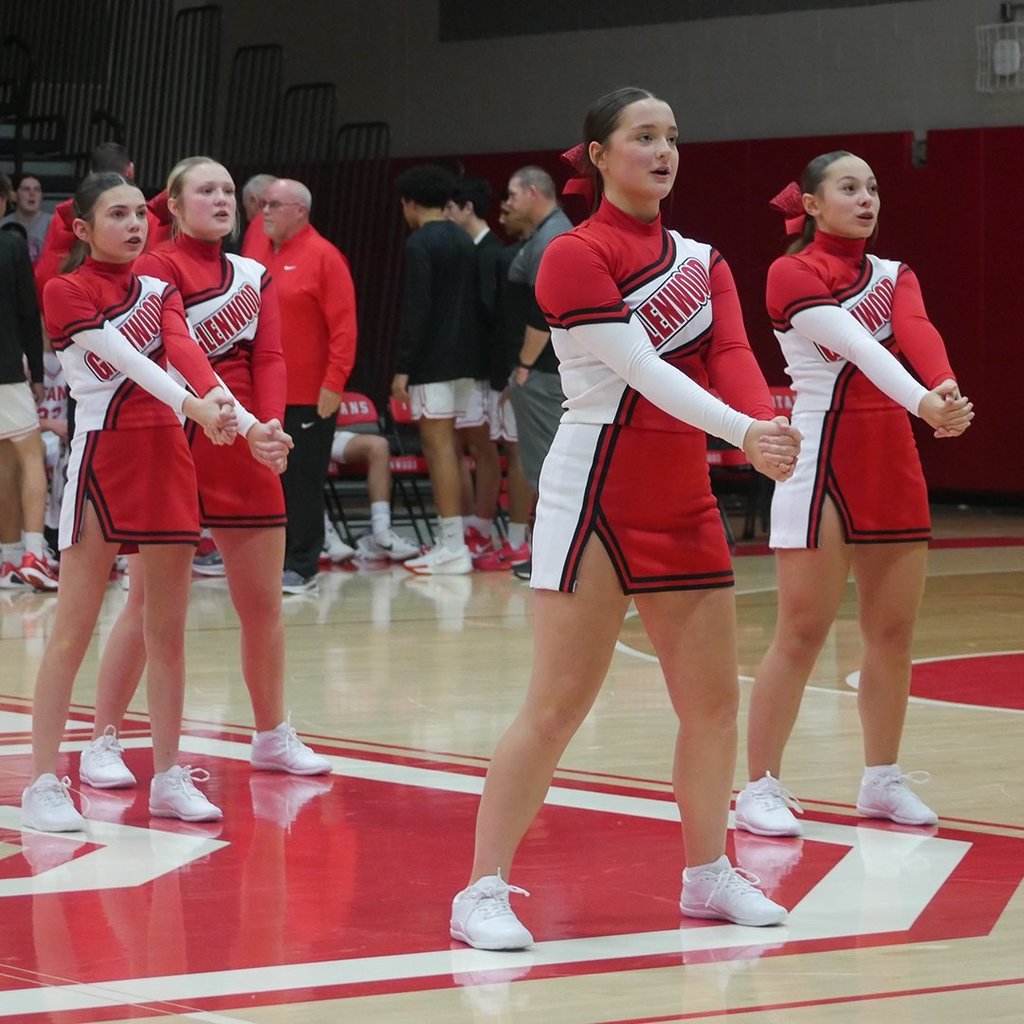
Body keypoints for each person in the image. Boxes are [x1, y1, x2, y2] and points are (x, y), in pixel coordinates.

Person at [448, 87, 802, 950]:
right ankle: (481, 889)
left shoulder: (704, 258)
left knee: (714, 706)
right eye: (643, 136)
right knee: (557, 707)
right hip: (594, 486)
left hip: (682, 492)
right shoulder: (573, 255)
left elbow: (729, 352)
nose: (664, 151)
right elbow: (641, 368)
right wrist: (744, 430)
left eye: (673, 137)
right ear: (598, 156)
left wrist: (765, 426)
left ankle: (707, 874)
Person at [734, 152, 974, 838]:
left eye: (872, 188)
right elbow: (861, 346)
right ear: (810, 204)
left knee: (892, 634)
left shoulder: (896, 275)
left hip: (891, 462)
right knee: (802, 632)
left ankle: (882, 779)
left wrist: (946, 386)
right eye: (848, 187)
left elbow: (918, 335)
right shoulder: (792, 271)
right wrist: (927, 402)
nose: (865, 198)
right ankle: (760, 787)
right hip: (819, 465)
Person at [78, 156, 329, 795]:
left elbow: (270, 353)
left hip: (243, 445)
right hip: (180, 434)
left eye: (226, 191)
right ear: (175, 203)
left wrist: (267, 428)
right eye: (205, 191)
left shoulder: (253, 272)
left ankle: (272, 733)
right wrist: (236, 418)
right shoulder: (155, 267)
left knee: (263, 604)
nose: (220, 200)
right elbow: (172, 353)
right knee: (149, 606)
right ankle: (102, 737)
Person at [23, 171, 239, 830]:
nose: (134, 225)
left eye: (137, 216)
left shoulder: (158, 285)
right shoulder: (66, 289)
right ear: (84, 229)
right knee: (72, 632)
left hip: (167, 464)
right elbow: (125, 360)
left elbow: (185, 353)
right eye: (116, 215)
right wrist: (195, 406)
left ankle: (170, 776)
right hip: (101, 466)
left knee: (166, 634)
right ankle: (41, 782)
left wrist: (244, 421)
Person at [243, 177, 358, 595]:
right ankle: (268, 558)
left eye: (274, 204)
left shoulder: (324, 257)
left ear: (300, 211)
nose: (265, 211)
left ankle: (303, 564)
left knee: (302, 481)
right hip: (263, 394)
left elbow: (344, 328)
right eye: (263, 204)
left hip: (310, 394)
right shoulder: (258, 250)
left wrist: (333, 384)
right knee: (264, 482)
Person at [391, 165, 480, 575]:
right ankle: (459, 540)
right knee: (458, 451)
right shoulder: (464, 239)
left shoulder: (420, 243)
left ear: (409, 202)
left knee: (439, 449)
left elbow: (417, 309)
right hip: (469, 361)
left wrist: (403, 366)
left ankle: (453, 546)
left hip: (433, 363)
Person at [501, 166, 574, 580]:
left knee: (548, 464)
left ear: (533, 192)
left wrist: (525, 366)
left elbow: (543, 314)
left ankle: (557, 554)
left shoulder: (551, 239)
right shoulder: (548, 234)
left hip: (544, 375)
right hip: (546, 374)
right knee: (547, 464)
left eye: (512, 195)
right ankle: (554, 551)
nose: (507, 204)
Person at [0, 173, 58, 591]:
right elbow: (26, 311)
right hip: (4, 371)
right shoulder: (11, 245)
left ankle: (7, 559)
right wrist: (37, 374)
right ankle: (35, 552)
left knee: (3, 462)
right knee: (31, 453)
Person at [444, 175, 505, 557]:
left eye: (450, 208)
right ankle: (469, 526)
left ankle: (483, 526)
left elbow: (492, 317)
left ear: (467, 208)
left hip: (485, 370)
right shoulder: (468, 250)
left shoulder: (492, 252)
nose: (445, 215)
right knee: (458, 442)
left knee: (484, 446)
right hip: (466, 368)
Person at [324, 426, 421, 562]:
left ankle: (381, 534)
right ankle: (321, 535)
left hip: (324, 433)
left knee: (378, 446)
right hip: (294, 437)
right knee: (304, 448)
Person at [1, 174, 51, 263]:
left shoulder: (52, 222)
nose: (32, 193)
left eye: (37, 190)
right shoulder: (2, 224)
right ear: (15, 196)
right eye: (26, 189)